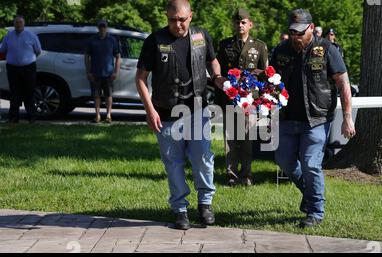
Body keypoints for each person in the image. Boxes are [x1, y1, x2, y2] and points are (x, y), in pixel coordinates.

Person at [135, 0, 222, 230]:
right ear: (167, 17)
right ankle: (180, 209)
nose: (178, 24)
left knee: (203, 158)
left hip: (197, 110)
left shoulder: (201, 36)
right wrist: (150, 110)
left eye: (182, 19)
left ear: (190, 16)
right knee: (173, 164)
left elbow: (213, 61)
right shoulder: (155, 40)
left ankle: (205, 204)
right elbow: (140, 78)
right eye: (172, 19)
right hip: (166, 114)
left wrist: (218, 77)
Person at [271, 9, 355, 228]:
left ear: (311, 27)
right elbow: (271, 80)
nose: (296, 37)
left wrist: (347, 117)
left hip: (317, 118)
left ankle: (316, 211)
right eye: (292, 32)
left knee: (310, 163)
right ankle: (310, 195)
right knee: (284, 161)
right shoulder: (281, 50)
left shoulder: (327, 49)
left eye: (300, 32)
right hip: (287, 117)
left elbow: (343, 83)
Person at [217, 8, 269, 187]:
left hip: (250, 100)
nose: (240, 25)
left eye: (243, 22)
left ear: (250, 24)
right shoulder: (225, 45)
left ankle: (246, 175)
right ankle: (231, 175)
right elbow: (219, 73)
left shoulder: (259, 46)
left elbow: (266, 73)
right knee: (230, 139)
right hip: (230, 98)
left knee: (247, 138)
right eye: (237, 22)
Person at [0, 15, 41, 123]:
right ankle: (13, 118)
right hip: (12, 68)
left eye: (20, 22)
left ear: (24, 23)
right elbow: (3, 49)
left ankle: (32, 118)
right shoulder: (8, 36)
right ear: (14, 24)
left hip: (28, 68)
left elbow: (38, 51)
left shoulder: (31, 36)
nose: (18, 24)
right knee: (14, 93)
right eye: (16, 22)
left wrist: (28, 60)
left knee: (29, 92)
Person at [85, 19, 121, 123]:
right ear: (98, 27)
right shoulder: (92, 40)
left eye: (104, 26)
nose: (102, 28)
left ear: (107, 27)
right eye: (101, 26)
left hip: (109, 73)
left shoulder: (112, 40)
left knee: (108, 95)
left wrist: (115, 72)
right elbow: (87, 56)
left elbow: (118, 57)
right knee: (96, 95)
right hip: (95, 72)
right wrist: (88, 71)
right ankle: (97, 115)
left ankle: (108, 115)